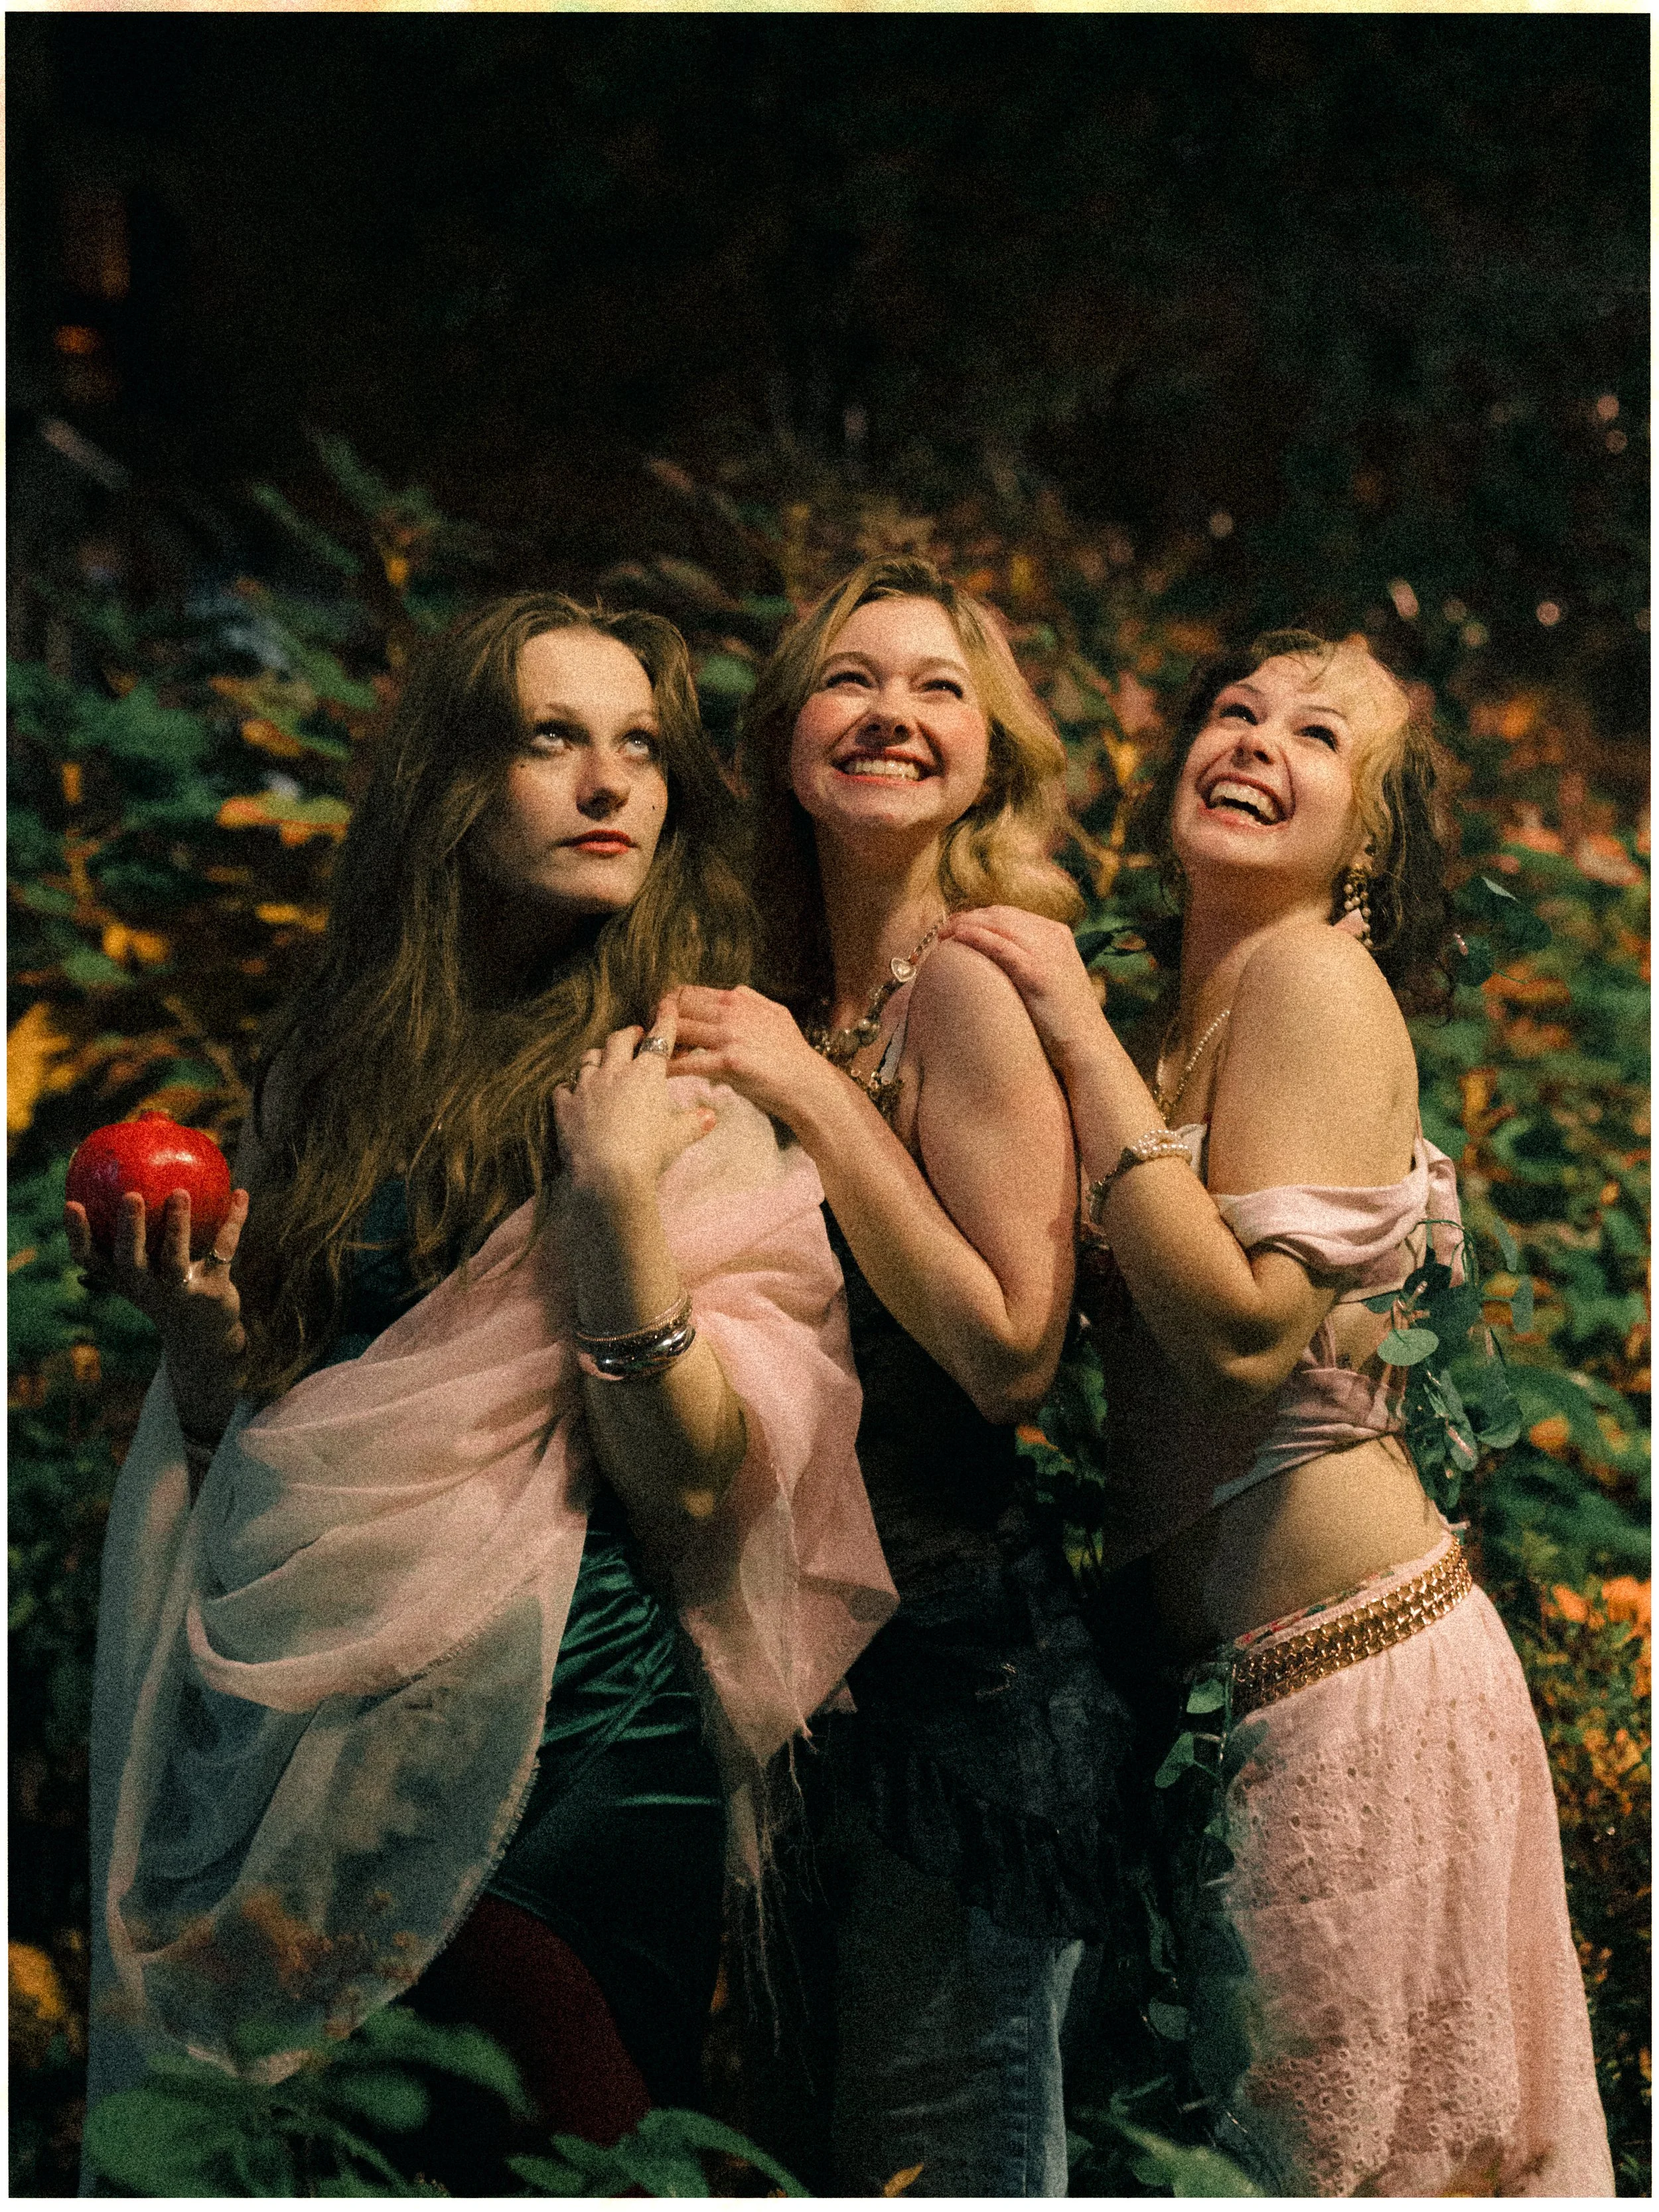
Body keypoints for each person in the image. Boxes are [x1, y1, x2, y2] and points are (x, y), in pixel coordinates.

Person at [76, 593, 895, 2191]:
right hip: (299, 1731)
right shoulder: (330, 1066)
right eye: (552, 739)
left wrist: (617, 1206)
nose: (609, 784)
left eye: (640, 747)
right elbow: (280, 1433)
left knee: (574, 2158)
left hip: (570, 1729)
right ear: (455, 786)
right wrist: (200, 1352)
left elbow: (696, 1483)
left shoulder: (674, 1080)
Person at [940, 629, 1613, 2197]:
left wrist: (1074, 1035)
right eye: (1234, 712)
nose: (1254, 739)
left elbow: (1245, 1339)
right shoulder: (1185, 1014)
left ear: (1366, 840)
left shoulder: (1310, 979)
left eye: (1317, 735)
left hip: (1353, 1686)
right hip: (1226, 1701)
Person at [670, 555, 1131, 2197]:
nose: (892, 714)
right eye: (851, 680)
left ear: (988, 758)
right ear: (785, 738)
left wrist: (813, 1097)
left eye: (939, 688)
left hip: (965, 1708)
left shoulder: (971, 985)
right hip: (804, 1695)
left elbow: (1011, 1351)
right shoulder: (780, 991)